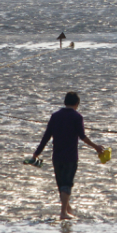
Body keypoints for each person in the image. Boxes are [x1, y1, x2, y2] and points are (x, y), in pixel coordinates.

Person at [32, 91, 104, 220]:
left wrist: (36, 153)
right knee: (67, 184)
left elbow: (46, 137)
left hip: (56, 157)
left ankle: (67, 209)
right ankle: (63, 213)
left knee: (61, 185)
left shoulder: (55, 116)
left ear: (65, 102)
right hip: (70, 157)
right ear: (77, 104)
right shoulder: (77, 117)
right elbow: (83, 137)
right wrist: (96, 147)